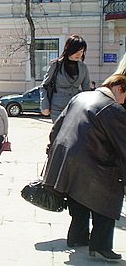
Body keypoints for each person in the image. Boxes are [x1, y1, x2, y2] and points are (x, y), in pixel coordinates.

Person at [43, 74, 126, 261]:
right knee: (108, 200)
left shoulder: (80, 96)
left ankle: (77, 237)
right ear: (119, 88)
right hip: (93, 162)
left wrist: (52, 150)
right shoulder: (112, 108)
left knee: (77, 196)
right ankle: (100, 246)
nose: (123, 102)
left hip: (66, 158)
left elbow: (57, 127)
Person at [40, 34, 90, 122]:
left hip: (76, 108)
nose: (79, 54)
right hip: (57, 109)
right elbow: (44, 86)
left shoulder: (83, 67)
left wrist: (88, 108)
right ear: (69, 49)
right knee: (60, 134)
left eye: (82, 51)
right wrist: (45, 106)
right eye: (77, 51)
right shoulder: (56, 65)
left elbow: (86, 89)